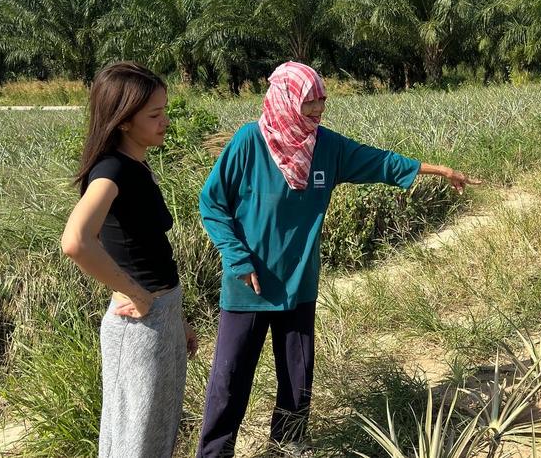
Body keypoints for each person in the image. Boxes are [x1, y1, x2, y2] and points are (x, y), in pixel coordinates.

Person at [197, 61, 479, 456]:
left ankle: (289, 443)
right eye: (308, 101)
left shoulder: (326, 147)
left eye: (322, 100)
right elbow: (212, 203)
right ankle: (214, 453)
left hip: (299, 283)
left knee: (297, 376)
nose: (317, 109)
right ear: (285, 100)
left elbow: (381, 162)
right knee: (230, 379)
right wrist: (237, 258)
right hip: (250, 285)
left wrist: (439, 170)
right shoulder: (249, 142)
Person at [61, 61, 198, 458]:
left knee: (158, 432)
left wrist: (176, 318)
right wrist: (136, 294)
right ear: (123, 121)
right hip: (139, 325)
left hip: (161, 314)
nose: (165, 120)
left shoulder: (136, 164)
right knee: (133, 440)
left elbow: (147, 251)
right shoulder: (112, 171)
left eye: (164, 110)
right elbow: (75, 241)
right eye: (154, 114)